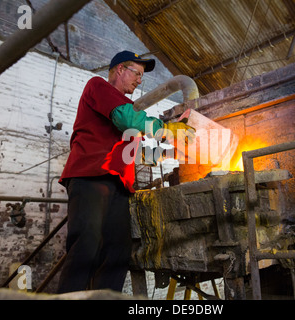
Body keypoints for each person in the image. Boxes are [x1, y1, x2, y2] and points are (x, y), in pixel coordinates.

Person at [56, 51, 194, 293]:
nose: (140, 80)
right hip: (91, 177)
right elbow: (126, 119)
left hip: (119, 185)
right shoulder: (98, 86)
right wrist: (168, 129)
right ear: (120, 69)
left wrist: (168, 143)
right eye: (137, 73)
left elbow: (135, 143)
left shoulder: (130, 107)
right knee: (86, 247)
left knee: (118, 253)